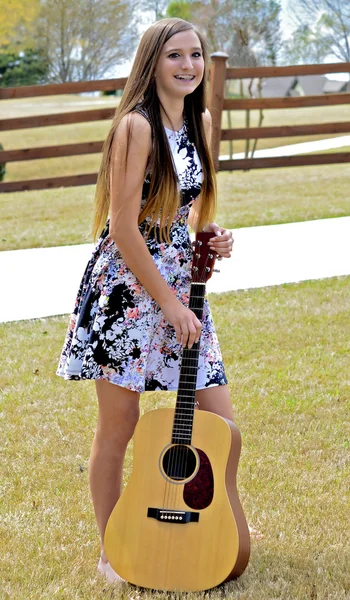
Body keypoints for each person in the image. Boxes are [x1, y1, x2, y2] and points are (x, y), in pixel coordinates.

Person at [57, 17, 234, 582]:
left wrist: (213, 234)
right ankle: (113, 548)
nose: (189, 66)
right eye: (175, 56)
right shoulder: (134, 126)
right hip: (129, 289)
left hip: (181, 283)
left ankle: (220, 527)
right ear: (152, 62)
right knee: (120, 424)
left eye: (196, 55)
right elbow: (125, 227)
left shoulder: (201, 120)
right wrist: (171, 305)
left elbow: (191, 204)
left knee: (221, 425)